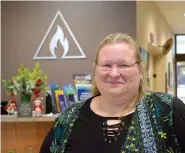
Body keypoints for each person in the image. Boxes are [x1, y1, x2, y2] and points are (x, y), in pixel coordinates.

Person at [40, 33, 185, 153]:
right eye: (106, 65)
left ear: (140, 70)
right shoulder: (68, 119)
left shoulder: (168, 111)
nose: (114, 73)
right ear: (95, 70)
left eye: (123, 65)